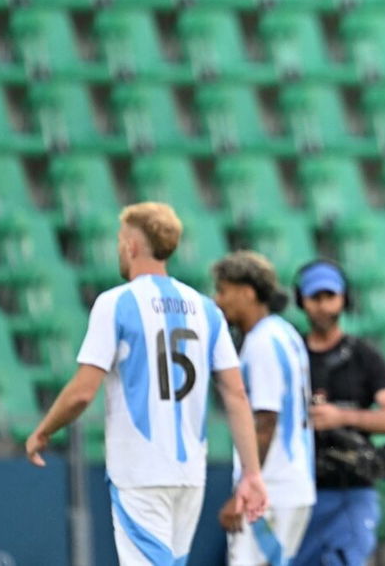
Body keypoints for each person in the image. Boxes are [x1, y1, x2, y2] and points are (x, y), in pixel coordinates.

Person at [25, 202, 268, 564]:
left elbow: (81, 392)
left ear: (131, 246)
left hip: (141, 470)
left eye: (120, 241)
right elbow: (236, 394)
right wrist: (251, 473)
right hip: (189, 474)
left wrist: (44, 430)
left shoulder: (115, 304)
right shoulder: (206, 309)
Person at [290, 259, 385, 566]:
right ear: (301, 300)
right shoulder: (291, 353)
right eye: (315, 298)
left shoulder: (363, 355)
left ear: (344, 299)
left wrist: (342, 417)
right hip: (300, 489)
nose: (323, 306)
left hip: (351, 489)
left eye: (330, 297)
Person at [212, 251, 316, 565]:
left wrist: (247, 486)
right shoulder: (285, 333)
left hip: (271, 490)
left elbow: (266, 421)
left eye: (223, 290)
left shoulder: (262, 343)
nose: (218, 301)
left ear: (248, 292)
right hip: (291, 484)